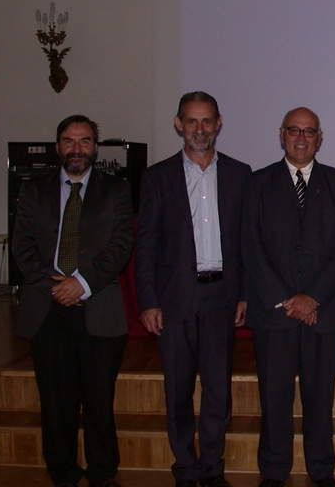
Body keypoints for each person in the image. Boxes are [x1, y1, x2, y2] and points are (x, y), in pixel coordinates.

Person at [135, 92, 251, 487]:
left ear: (218, 123)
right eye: (192, 121)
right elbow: (146, 244)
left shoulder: (240, 173)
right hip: (175, 299)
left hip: (221, 296)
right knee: (178, 391)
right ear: (178, 123)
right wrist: (148, 301)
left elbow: (246, 242)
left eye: (207, 121)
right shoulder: (156, 177)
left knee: (218, 392)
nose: (199, 129)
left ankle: (213, 469)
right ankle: (185, 468)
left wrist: (244, 293)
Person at [12, 115, 134, 487]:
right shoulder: (35, 189)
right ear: (58, 147)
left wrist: (81, 283)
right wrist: (54, 285)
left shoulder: (116, 189)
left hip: (98, 310)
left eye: (84, 141)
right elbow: (22, 245)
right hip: (46, 310)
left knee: (98, 400)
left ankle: (101, 472)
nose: (77, 148)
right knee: (56, 401)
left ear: (96, 148)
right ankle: (62, 472)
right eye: (69, 141)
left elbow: (121, 245)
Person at [246, 107, 335, 487]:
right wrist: (287, 299)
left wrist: (313, 298)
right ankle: (274, 472)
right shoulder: (257, 183)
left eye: (310, 131)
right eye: (294, 130)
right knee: (273, 399)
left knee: (319, 400)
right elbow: (251, 246)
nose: (302, 137)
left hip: (323, 312)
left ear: (320, 137)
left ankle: (321, 471)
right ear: (282, 135)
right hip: (274, 313)